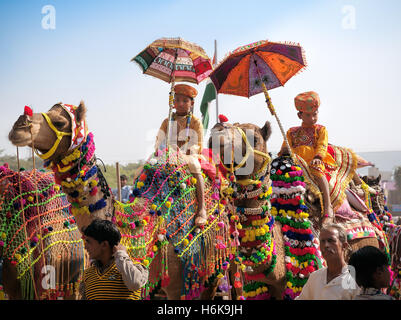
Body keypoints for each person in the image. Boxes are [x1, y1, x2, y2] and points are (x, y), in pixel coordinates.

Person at [155, 84, 207, 227]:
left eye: (185, 101)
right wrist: (164, 148)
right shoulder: (167, 121)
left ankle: (202, 209)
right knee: (147, 165)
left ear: (192, 104)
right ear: (172, 102)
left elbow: (199, 144)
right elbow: (158, 141)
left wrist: (185, 150)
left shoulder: (195, 122)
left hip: (189, 155)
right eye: (177, 100)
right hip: (168, 155)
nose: (180, 104)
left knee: (194, 165)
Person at [278, 91, 336, 222]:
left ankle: (328, 207)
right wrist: (287, 151)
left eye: (315, 114)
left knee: (318, 171)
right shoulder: (291, 132)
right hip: (295, 163)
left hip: (314, 162)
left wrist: (318, 158)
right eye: (309, 115)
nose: (313, 118)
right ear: (300, 115)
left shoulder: (320, 130)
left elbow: (322, 145)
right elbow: (285, 148)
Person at [79, 219, 149, 300]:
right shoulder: (88, 274)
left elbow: (134, 283)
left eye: (88, 242)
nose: (85, 247)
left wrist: (121, 254)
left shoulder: (135, 268)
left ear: (104, 245)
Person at [296, 223, 360, 299]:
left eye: (331, 240)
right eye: (322, 241)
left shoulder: (355, 279)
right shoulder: (315, 277)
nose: (326, 245)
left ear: (344, 246)